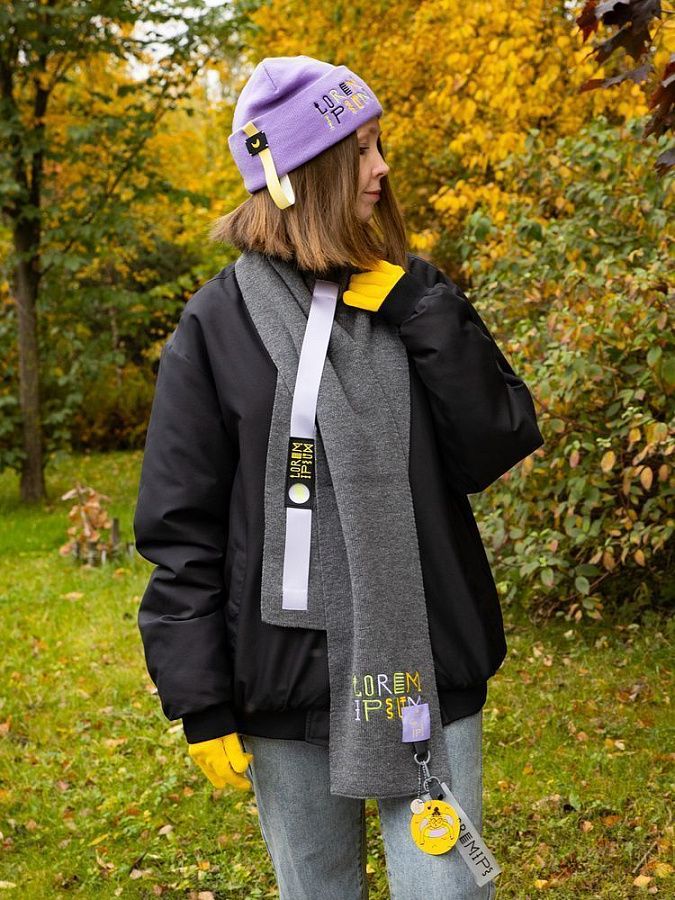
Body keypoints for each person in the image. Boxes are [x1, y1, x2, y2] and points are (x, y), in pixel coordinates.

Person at [133, 54, 544, 900]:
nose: (381, 169)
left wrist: (417, 312)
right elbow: (181, 525)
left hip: (423, 665)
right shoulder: (218, 323)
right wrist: (199, 699)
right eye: (359, 152)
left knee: (445, 890)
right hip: (284, 676)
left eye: (378, 146)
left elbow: (495, 441)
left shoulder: (413, 292)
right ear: (300, 173)